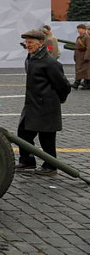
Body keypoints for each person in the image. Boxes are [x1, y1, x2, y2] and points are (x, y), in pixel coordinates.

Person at [16, 29, 71, 176]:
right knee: (23, 133)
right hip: (32, 105)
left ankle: (51, 166)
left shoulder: (49, 63)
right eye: (26, 43)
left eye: (30, 43)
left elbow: (64, 85)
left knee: (46, 137)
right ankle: (27, 161)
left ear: (40, 43)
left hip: (46, 106)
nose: (27, 45)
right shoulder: (31, 58)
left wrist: (58, 99)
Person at [72, 23, 90, 90]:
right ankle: (81, 83)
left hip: (83, 56)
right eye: (78, 29)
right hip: (79, 56)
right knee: (80, 70)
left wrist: (87, 57)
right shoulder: (79, 37)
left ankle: (77, 83)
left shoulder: (87, 37)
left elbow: (89, 47)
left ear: (84, 29)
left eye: (80, 29)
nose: (79, 30)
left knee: (84, 71)